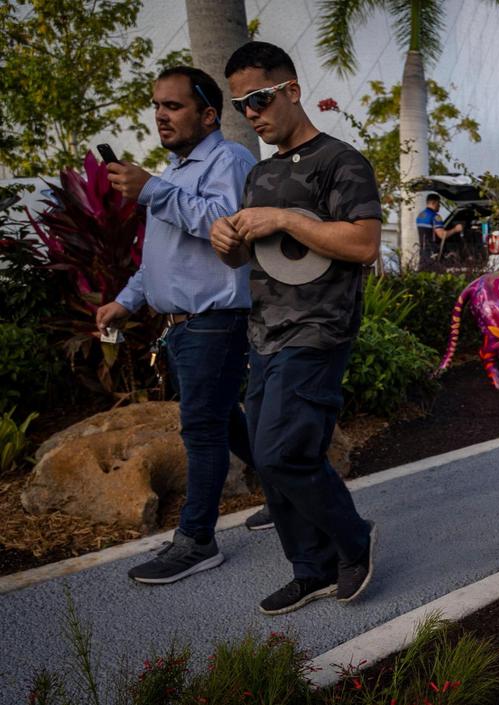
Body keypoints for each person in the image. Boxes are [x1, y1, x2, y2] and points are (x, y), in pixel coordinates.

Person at [210, 41, 378, 616]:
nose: (251, 114)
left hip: (319, 329)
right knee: (267, 454)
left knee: (284, 452)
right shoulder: (259, 174)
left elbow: (364, 242)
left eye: (257, 99)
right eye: (239, 106)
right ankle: (311, 569)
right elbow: (251, 262)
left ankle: (354, 541)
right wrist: (227, 244)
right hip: (265, 332)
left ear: (292, 91)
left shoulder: (341, 162)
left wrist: (282, 217)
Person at [96, 66, 257, 584]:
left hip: (215, 320)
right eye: (157, 106)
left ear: (208, 114)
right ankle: (287, 496)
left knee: (203, 428)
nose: (161, 115)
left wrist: (152, 192)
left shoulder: (227, 158)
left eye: (174, 106)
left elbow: (225, 225)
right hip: (185, 325)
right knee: (224, 420)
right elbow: (160, 257)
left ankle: (197, 540)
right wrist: (126, 300)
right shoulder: (176, 172)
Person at [416, 193, 463, 268]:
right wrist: (455, 229)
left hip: (423, 252)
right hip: (433, 253)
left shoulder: (421, 215)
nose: (439, 206)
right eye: (438, 203)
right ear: (433, 203)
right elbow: (442, 235)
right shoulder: (435, 217)